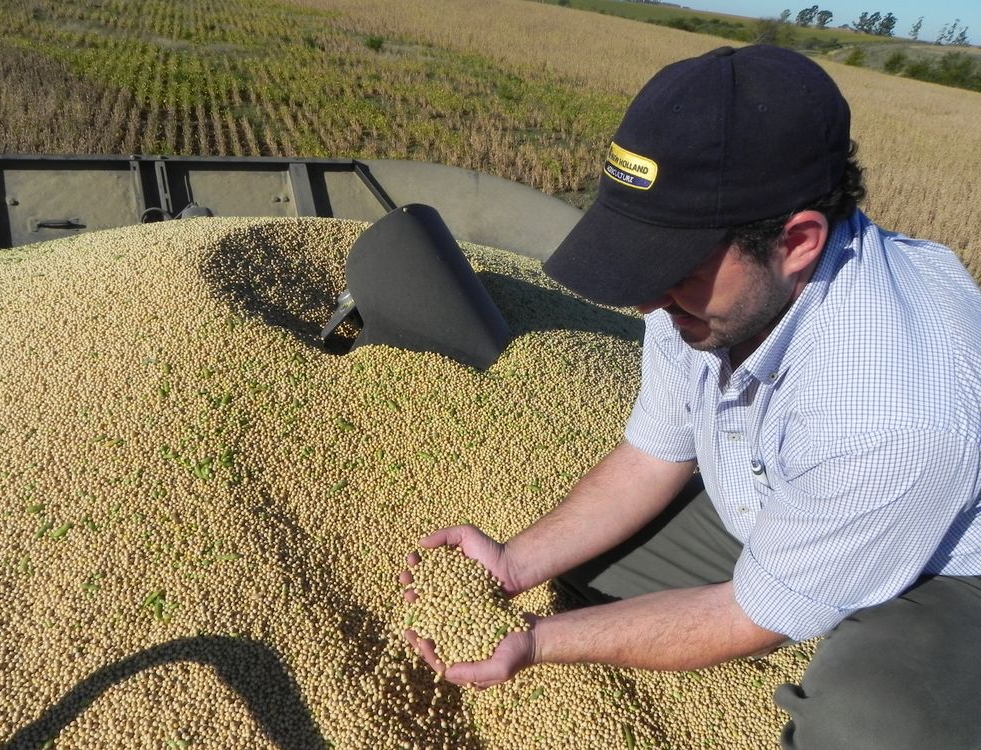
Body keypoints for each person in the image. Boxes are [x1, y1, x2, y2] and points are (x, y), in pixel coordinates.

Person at [400, 45, 981, 749]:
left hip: (952, 567)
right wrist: (513, 564)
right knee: (582, 572)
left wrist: (537, 643)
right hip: (799, 492)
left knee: (867, 726)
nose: (647, 299)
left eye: (672, 267)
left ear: (798, 241)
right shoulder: (713, 298)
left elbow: (747, 617)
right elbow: (654, 455)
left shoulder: (896, 411)